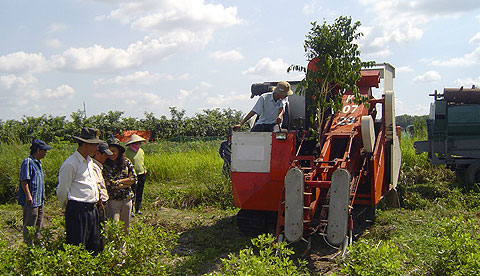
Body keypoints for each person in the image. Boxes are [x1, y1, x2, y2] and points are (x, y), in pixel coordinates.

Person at [56, 127, 103, 254]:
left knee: (93, 244)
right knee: (77, 245)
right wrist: (68, 207)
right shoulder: (71, 164)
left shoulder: (89, 162)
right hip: (77, 209)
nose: (96, 148)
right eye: (94, 145)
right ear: (86, 144)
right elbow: (62, 190)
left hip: (91, 209)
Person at [18, 139, 52, 245]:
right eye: (44, 150)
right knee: (29, 224)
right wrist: (28, 195)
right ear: (38, 150)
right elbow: (24, 180)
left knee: (39, 224)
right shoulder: (28, 162)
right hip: (31, 201)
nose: (45, 153)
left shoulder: (38, 163)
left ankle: (38, 246)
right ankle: (29, 247)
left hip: (39, 200)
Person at [103, 137, 137, 235]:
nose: (111, 154)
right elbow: (109, 183)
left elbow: (133, 179)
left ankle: (123, 249)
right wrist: (124, 183)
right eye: (109, 151)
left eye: (113, 151)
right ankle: (113, 249)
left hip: (127, 199)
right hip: (113, 200)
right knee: (114, 227)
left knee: (125, 227)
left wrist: (118, 182)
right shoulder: (105, 165)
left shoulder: (126, 162)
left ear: (119, 151)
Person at [91, 142, 113, 251]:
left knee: (101, 230)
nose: (106, 157)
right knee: (98, 232)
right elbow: (95, 187)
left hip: (103, 203)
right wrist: (100, 202)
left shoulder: (98, 166)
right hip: (99, 205)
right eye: (104, 155)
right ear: (97, 154)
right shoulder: (93, 167)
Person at [125, 134, 147, 215]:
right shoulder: (127, 152)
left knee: (139, 192)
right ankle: (130, 210)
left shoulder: (141, 151)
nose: (138, 144)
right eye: (137, 143)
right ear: (132, 143)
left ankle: (137, 209)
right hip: (132, 175)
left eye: (139, 143)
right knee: (132, 192)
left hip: (141, 173)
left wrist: (144, 170)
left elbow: (142, 162)